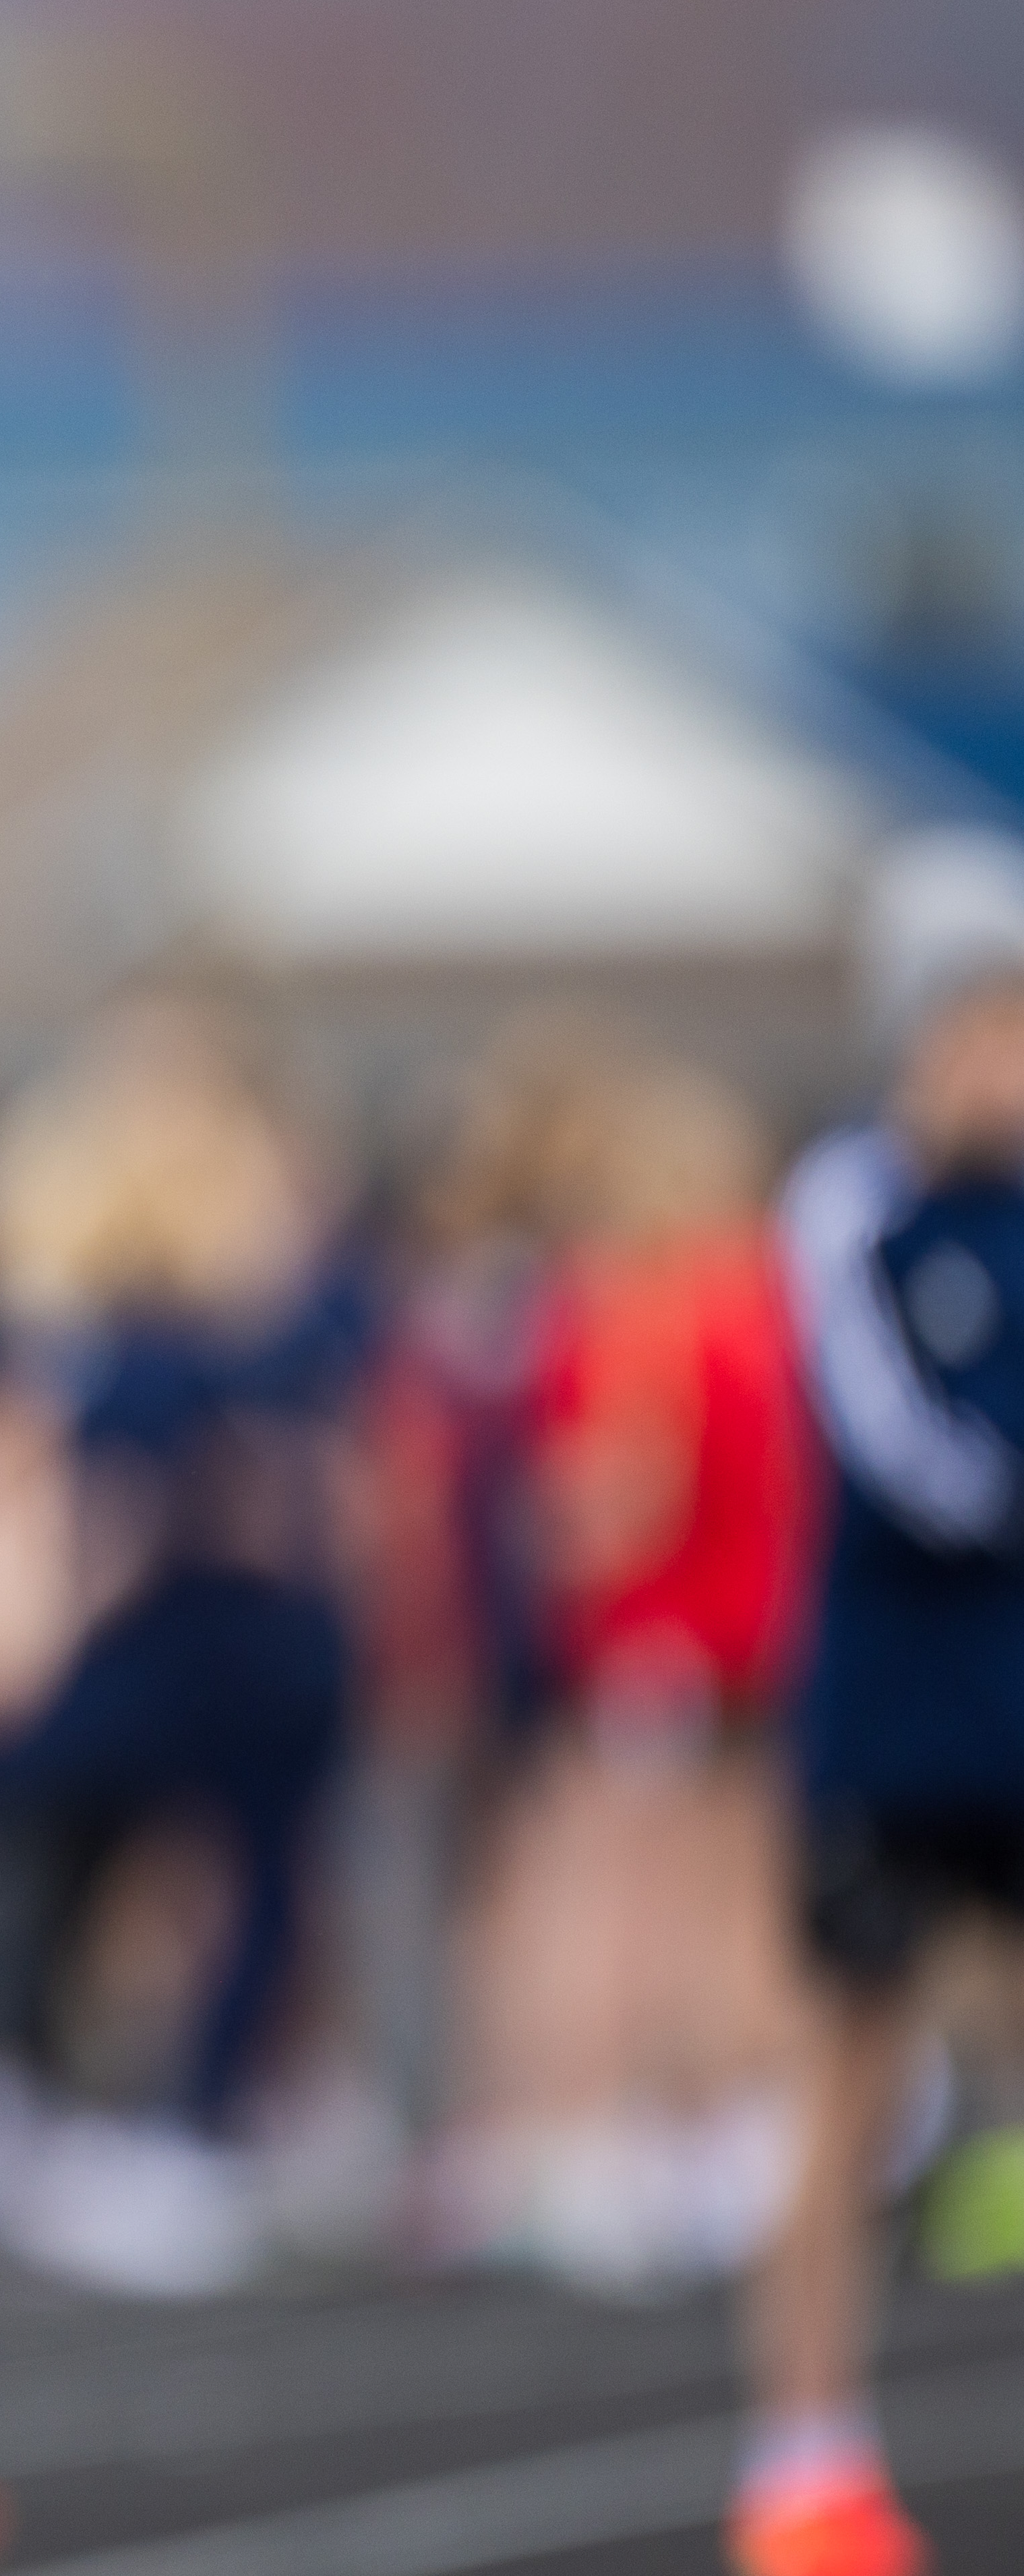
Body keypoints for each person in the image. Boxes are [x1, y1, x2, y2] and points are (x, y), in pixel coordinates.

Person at [0, 1003, 363, 2302]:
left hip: (196, 1641)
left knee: (157, 1879)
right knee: (156, 1879)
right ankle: (141, 2111)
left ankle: (136, 2111)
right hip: (190, 1639)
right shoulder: (193, 1311)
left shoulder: (173, 1315)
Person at [733, 871, 1024, 2576]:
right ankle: (805, 2452)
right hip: (897, 1719)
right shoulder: (852, 1203)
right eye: (982, 1022)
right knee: (849, 2069)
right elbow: (898, 1438)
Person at [460, 1044, 814, 2294]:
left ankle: (590, 2135)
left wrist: (551, 1549)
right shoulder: (757, 1293)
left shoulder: (637, 1302)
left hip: (655, 1639)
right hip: (746, 1634)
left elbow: (610, 1494)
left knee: (614, 1893)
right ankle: (698, 2129)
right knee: (724, 1890)